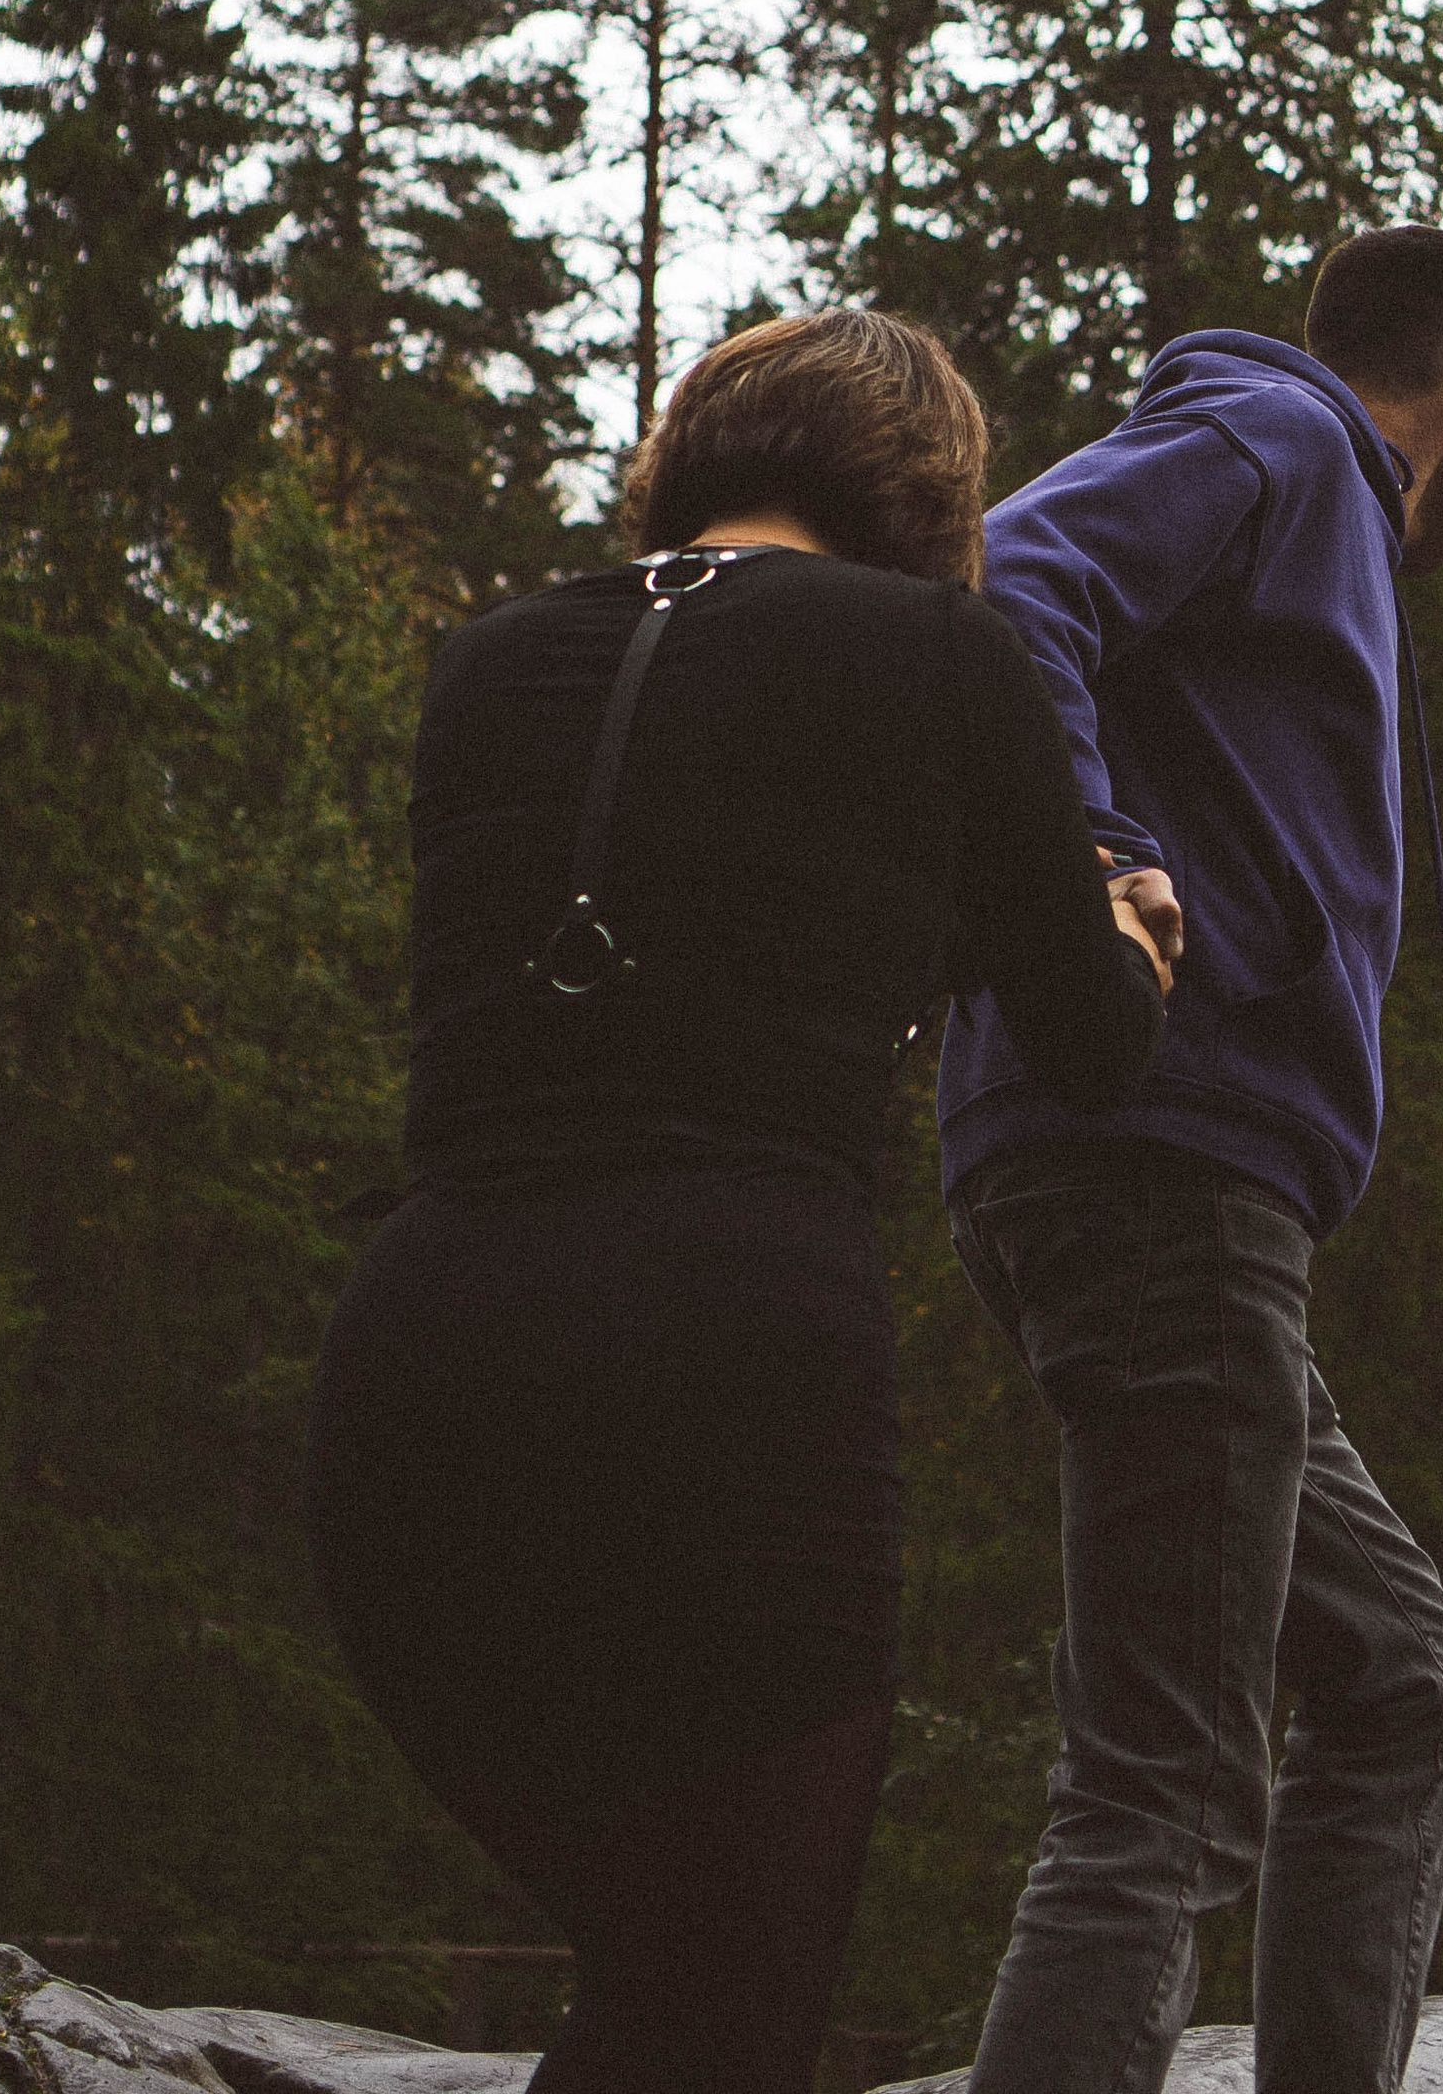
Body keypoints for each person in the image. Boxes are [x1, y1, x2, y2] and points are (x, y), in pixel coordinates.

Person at [305, 309, 1178, 2094]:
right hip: (730, 1371)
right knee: (728, 2009)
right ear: (930, 490)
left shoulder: (489, 661)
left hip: (422, 1365)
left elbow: (696, 921)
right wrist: (1131, 935)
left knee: (655, 1992)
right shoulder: (940, 650)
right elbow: (1090, 1042)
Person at [938, 223, 1443, 2094]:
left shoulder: (1304, 494)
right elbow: (1012, 577)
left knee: (1396, 1675)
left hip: (1180, 1187)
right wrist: (1099, 853)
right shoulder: (1278, 441)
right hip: (1159, 1162)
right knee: (1166, 1785)